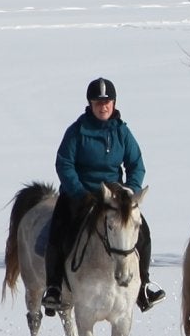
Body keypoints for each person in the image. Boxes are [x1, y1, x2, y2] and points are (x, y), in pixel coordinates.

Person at [50, 74, 159, 311]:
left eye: (107, 102)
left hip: (114, 196)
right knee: (58, 231)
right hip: (81, 194)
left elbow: (136, 164)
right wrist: (78, 192)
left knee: (143, 231)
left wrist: (130, 190)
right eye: (98, 103)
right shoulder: (77, 131)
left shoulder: (122, 132)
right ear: (90, 104)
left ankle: (144, 286)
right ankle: (54, 287)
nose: (103, 106)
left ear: (114, 103)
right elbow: (64, 163)